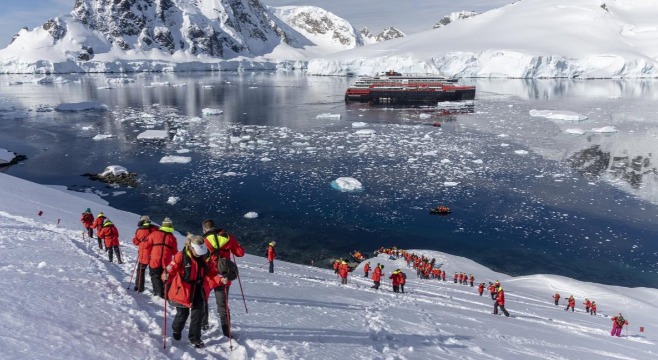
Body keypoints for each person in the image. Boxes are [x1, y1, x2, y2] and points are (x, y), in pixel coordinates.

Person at [162, 234, 226, 348]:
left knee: (197, 315)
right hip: (183, 289)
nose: (199, 254)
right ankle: (176, 330)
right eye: (197, 251)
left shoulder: (205, 257)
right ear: (191, 248)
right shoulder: (181, 256)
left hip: (198, 289)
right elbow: (171, 268)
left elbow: (213, 272)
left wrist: (221, 279)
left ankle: (195, 338)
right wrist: (165, 275)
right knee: (182, 314)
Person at [202, 219, 245, 337]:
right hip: (224, 275)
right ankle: (227, 332)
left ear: (204, 229)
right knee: (223, 305)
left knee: (203, 300)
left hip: (208, 276)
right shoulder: (228, 237)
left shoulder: (204, 240)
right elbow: (240, 253)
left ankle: (204, 323)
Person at [144, 217, 179, 298]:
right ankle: (166, 293)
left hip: (155, 259)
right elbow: (175, 252)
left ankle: (158, 292)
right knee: (166, 277)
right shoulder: (172, 238)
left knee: (155, 275)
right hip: (166, 260)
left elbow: (146, 246)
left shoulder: (154, 234)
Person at [131, 215, 159, 292]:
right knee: (154, 273)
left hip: (144, 254)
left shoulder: (139, 230)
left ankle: (139, 287)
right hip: (155, 253)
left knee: (140, 271)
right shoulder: (155, 228)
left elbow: (135, 242)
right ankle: (158, 291)